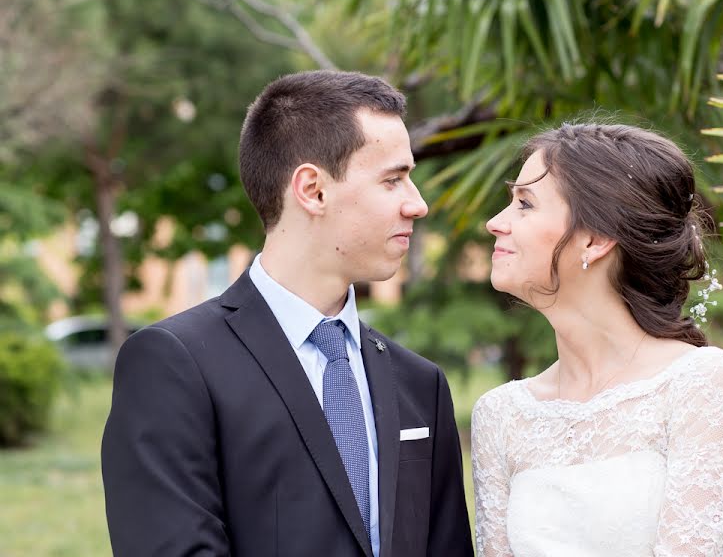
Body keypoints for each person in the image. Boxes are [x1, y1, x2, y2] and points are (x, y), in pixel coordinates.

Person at [101, 71, 474, 557]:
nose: (417, 204)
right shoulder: (174, 365)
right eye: (393, 179)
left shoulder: (420, 385)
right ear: (312, 190)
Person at [472, 122, 723, 556]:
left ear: (595, 239)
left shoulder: (701, 385)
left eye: (524, 204)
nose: (495, 223)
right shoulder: (501, 415)